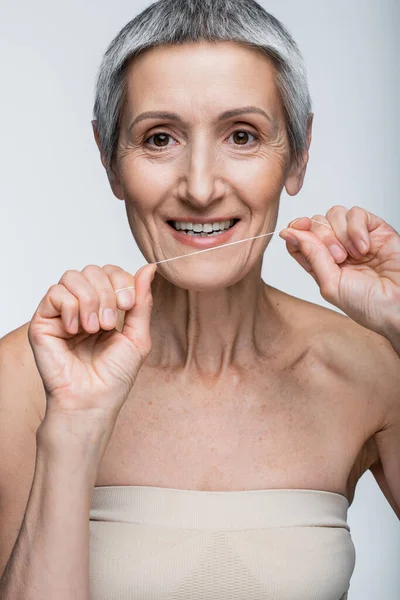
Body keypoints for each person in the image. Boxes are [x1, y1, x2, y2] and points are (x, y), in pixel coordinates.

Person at [0, 0, 399, 598]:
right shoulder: (24, 380)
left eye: (243, 135)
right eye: (160, 138)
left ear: (299, 153)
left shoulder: (372, 369)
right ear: (110, 161)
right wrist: (75, 427)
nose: (201, 186)